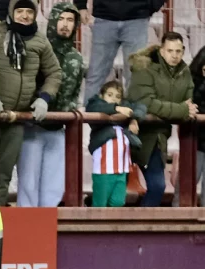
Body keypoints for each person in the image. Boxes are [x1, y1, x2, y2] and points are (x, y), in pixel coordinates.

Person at [0, 0, 61, 206]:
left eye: (29, 11)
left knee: (4, 175)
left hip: (17, 118)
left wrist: (44, 98)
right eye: (20, 11)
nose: (25, 16)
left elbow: (54, 73)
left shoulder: (40, 41)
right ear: (11, 11)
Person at [16, 2, 83, 208]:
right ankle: (26, 232)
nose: (65, 24)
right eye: (61, 19)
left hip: (58, 129)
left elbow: (75, 92)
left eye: (70, 20)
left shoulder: (77, 58)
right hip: (32, 127)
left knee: (54, 188)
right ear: (53, 21)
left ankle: (46, 231)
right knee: (28, 184)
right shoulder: (38, 49)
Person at [128, 32, 196, 207]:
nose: (174, 55)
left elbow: (190, 102)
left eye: (178, 51)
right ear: (162, 51)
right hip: (133, 135)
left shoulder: (184, 72)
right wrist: (180, 110)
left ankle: (140, 229)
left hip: (158, 139)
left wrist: (173, 109)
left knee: (157, 187)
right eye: (170, 51)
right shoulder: (144, 68)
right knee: (119, 191)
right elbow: (147, 104)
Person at [77, 0, 166, 104]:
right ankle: (89, 117)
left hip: (137, 20)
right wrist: (81, 5)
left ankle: (134, 117)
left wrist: (149, 6)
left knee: (136, 76)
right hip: (104, 19)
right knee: (95, 75)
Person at [86, 81, 146, 207]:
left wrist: (134, 119)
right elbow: (94, 107)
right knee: (100, 203)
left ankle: (111, 226)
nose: (113, 99)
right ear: (102, 96)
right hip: (104, 167)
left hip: (122, 166)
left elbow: (141, 107)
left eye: (117, 97)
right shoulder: (96, 104)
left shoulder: (125, 108)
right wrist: (116, 108)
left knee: (118, 202)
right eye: (110, 95)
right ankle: (95, 225)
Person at [173, 47, 205, 207]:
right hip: (194, 141)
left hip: (196, 140)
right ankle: (174, 224)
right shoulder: (190, 83)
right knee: (186, 185)